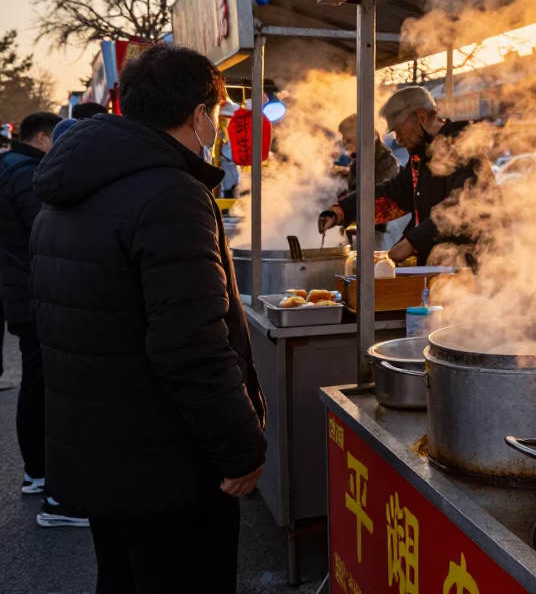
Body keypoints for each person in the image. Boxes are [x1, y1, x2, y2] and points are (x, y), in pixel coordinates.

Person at [30, 45, 266, 592]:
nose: (217, 124)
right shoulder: (169, 194)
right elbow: (192, 348)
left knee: (121, 578)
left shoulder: (68, 189)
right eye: (219, 112)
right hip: (166, 465)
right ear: (200, 114)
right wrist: (241, 448)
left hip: (103, 453)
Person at [0, 111, 87, 524]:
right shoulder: (25, 174)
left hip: (20, 293)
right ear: (41, 138)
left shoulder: (13, 166)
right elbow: (46, 232)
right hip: (32, 295)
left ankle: (38, 473)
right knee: (45, 386)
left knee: (39, 382)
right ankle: (44, 476)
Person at [318, 86, 496, 266]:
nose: (398, 140)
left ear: (421, 117)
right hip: (438, 273)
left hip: (475, 271)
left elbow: (463, 208)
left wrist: (412, 243)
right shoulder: (423, 159)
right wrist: (342, 211)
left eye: (398, 130)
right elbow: (393, 195)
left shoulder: (467, 150)